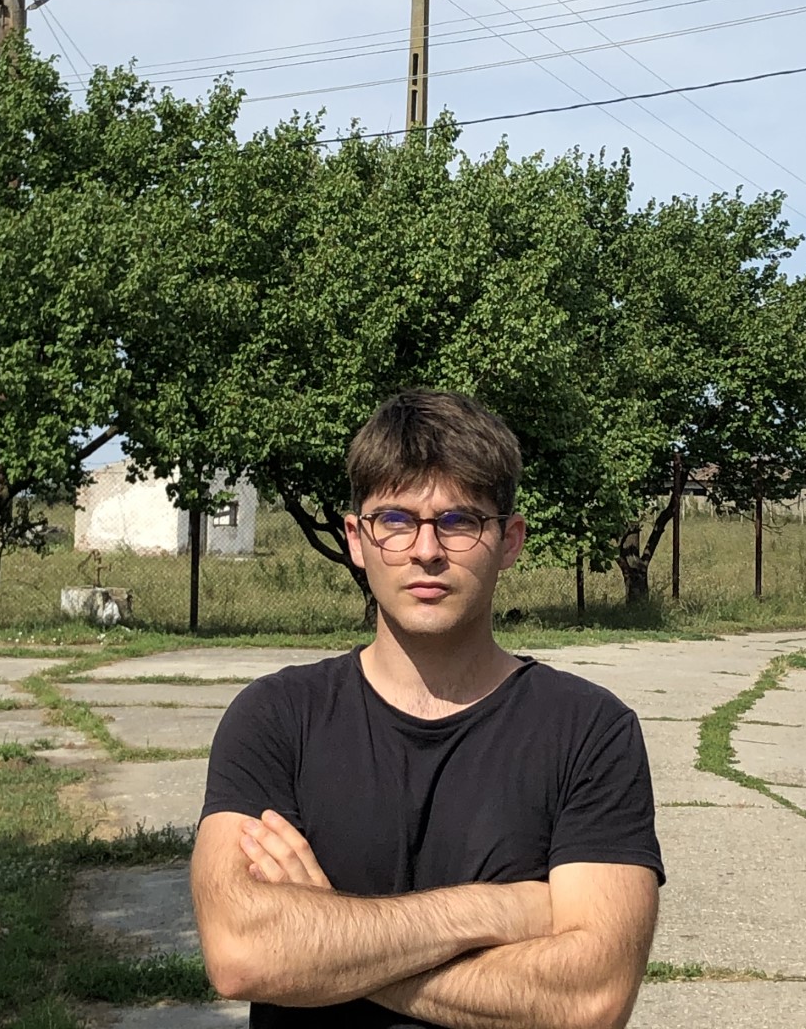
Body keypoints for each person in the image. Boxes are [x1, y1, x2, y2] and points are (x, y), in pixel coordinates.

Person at [192, 389, 664, 1028]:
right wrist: (497, 912)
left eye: (460, 521)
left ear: (509, 539)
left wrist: (330, 938)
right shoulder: (276, 718)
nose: (426, 550)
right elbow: (242, 953)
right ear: (357, 539)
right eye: (395, 520)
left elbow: (590, 999)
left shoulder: (589, 732)